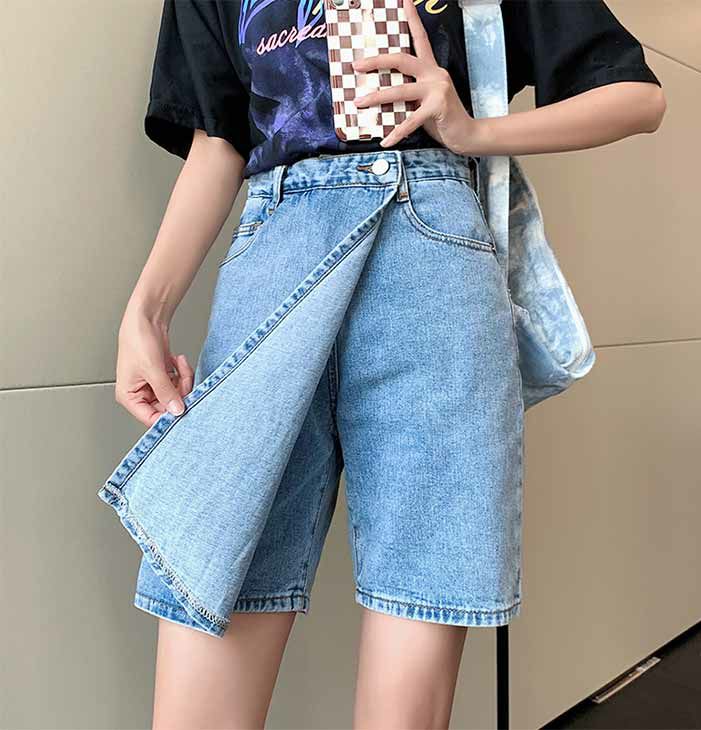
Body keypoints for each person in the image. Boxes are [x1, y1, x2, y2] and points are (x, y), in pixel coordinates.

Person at [112, 0, 665, 727]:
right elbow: (219, 138)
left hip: (432, 258)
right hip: (274, 257)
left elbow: (635, 97)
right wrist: (147, 310)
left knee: (418, 610)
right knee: (206, 588)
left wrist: (473, 132)